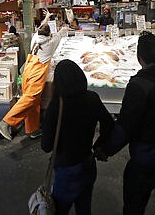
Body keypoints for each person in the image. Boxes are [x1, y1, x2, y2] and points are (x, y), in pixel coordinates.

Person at [96, 31, 155, 215]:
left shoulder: (139, 85)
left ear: (139, 57)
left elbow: (126, 125)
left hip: (146, 156)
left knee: (134, 205)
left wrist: (107, 149)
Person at [41, 60, 114, 215]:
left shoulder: (56, 106)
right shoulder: (92, 98)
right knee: (84, 207)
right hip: (87, 163)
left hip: (66, 169)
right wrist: (97, 146)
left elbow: (46, 146)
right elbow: (109, 124)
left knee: (59, 209)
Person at [0, 9, 69, 140]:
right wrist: (68, 19)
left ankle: (32, 130)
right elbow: (64, 30)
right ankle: (5, 122)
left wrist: (46, 18)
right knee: (30, 99)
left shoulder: (36, 37)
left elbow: (42, 27)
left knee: (34, 103)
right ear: (49, 35)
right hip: (37, 73)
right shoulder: (51, 43)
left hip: (28, 70)